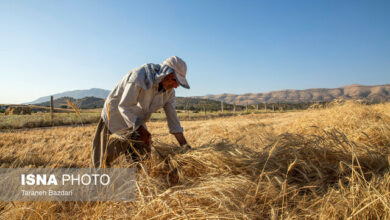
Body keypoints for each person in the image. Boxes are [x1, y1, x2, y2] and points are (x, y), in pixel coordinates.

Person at [92, 56, 191, 168]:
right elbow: (125, 106)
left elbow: (174, 122)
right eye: (174, 80)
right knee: (102, 160)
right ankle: (100, 183)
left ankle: (138, 181)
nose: (176, 86)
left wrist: (185, 147)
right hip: (114, 117)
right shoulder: (141, 76)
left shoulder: (169, 93)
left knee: (143, 160)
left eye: (178, 82)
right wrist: (141, 130)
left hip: (136, 121)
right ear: (165, 73)